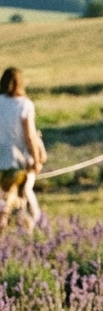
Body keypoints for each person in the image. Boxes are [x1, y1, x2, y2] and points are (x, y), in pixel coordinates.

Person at [0, 68, 44, 231]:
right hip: (16, 159)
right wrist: (37, 160)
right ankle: (33, 226)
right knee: (19, 194)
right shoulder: (24, 105)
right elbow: (30, 135)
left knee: (5, 198)